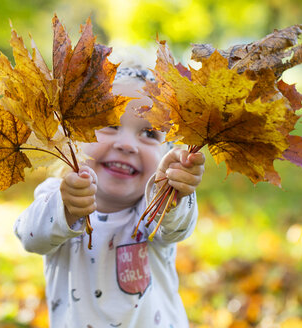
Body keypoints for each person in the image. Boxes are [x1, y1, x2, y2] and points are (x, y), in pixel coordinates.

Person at [14, 66, 205, 327]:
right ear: (76, 138)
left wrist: (175, 192)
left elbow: (178, 227)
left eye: (149, 133)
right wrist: (67, 208)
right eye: (110, 125)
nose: (126, 144)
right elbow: (30, 237)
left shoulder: (152, 212)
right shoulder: (56, 197)